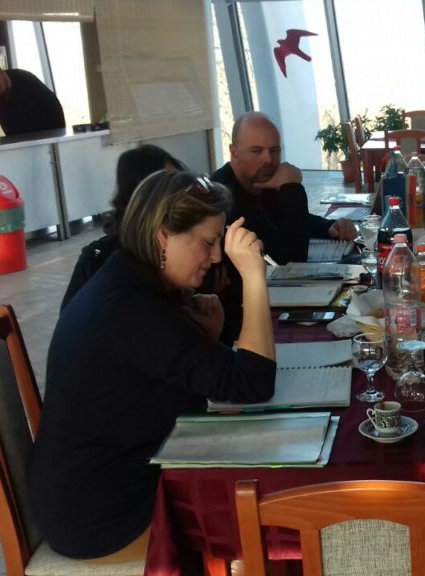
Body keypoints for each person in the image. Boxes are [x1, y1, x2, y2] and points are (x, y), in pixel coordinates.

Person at [29, 171, 277, 559]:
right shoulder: (132, 310)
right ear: (164, 236)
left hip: (103, 487)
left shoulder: (128, 279)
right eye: (208, 242)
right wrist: (254, 277)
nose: (216, 257)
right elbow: (253, 383)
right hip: (101, 516)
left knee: (253, 489)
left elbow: (179, 379)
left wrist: (207, 341)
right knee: (266, 523)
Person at [211, 111, 356, 264]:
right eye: (256, 151)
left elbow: (285, 217)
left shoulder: (260, 180)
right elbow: (291, 259)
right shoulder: (223, 196)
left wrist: (328, 227)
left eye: (274, 150)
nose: (268, 159)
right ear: (234, 152)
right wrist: (292, 188)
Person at [60, 144, 186, 309]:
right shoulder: (98, 259)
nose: (183, 198)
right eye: (172, 190)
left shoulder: (188, 244)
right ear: (143, 197)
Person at [0, 64, 66, 137]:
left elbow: (51, 105)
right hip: (22, 136)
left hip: (49, 127)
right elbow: (4, 122)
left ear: (2, 73)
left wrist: (58, 134)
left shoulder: (24, 79)